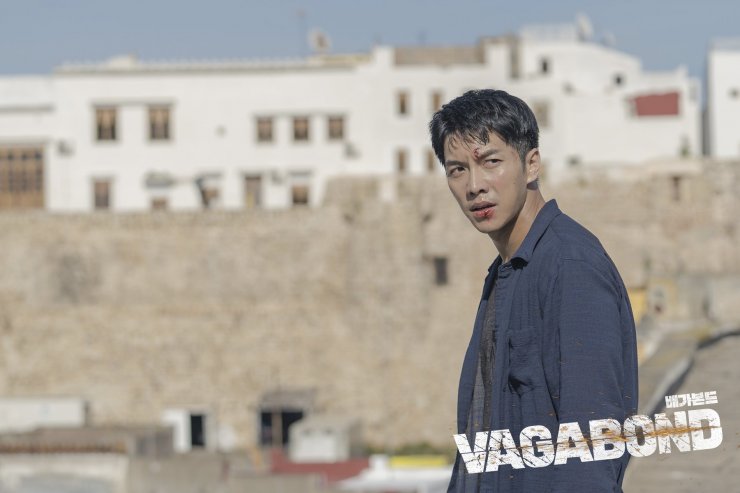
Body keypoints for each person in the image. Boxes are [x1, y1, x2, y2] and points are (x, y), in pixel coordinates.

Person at [429, 89, 639, 492]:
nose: (474, 186)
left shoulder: (570, 266)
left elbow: (594, 444)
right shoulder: (508, 271)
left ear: (531, 164)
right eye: (457, 170)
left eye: (491, 162)